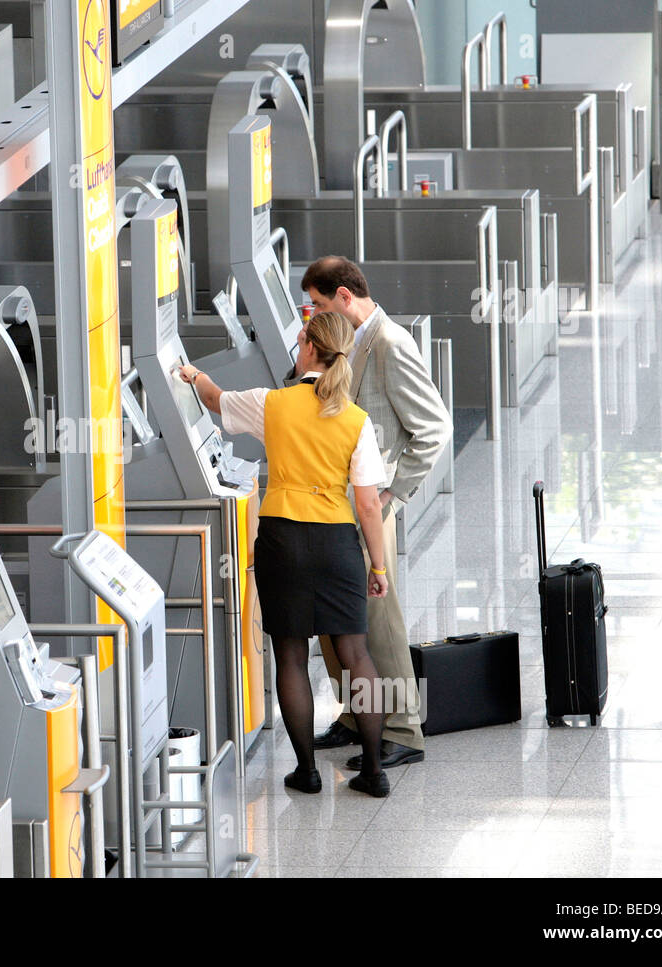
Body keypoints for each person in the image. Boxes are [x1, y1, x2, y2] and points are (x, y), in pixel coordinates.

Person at [177, 312, 392, 797]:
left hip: (283, 539)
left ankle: (307, 771)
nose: (297, 351)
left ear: (312, 350)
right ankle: (375, 770)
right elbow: (367, 506)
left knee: (291, 655)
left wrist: (192, 375)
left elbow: (214, 400)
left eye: (301, 343)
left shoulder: (272, 404)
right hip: (337, 543)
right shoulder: (356, 420)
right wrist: (376, 565)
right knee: (356, 654)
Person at [301, 256, 453, 770]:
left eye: (319, 304)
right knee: (335, 619)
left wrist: (393, 496)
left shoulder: (387, 344)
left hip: (368, 505)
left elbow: (433, 428)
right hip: (331, 504)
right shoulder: (351, 342)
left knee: (376, 623)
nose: (313, 316)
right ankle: (356, 716)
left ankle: (403, 727)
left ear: (345, 297)